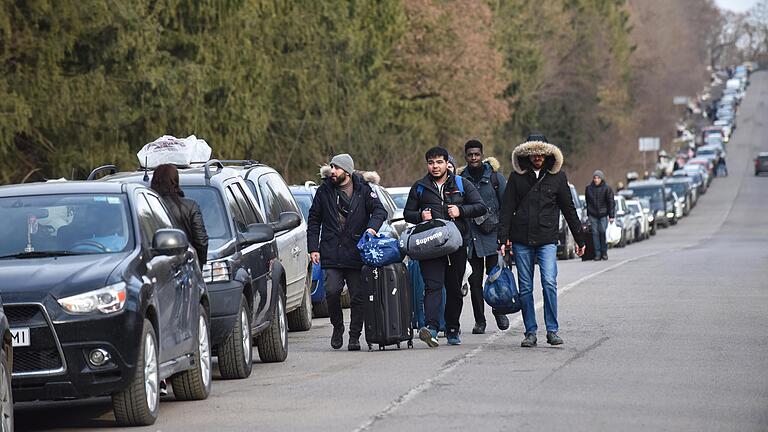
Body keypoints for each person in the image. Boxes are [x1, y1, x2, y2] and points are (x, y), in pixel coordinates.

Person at [498, 134, 585, 348]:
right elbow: (506, 209)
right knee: (526, 287)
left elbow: (569, 209)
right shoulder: (516, 178)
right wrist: (503, 238)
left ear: (547, 154)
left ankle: (552, 330)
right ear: (527, 154)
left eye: (541, 153)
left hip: (547, 238)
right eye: (532, 153)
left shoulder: (558, 177)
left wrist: (579, 238)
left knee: (549, 283)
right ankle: (530, 332)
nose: (537, 157)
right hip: (521, 239)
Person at [404, 146, 486, 347]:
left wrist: (460, 210)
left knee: (454, 289)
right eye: (431, 163)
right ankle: (431, 328)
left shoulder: (461, 183)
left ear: (446, 163)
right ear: (427, 164)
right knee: (432, 287)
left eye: (439, 162)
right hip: (429, 246)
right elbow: (407, 213)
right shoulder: (420, 187)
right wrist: (419, 216)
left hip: (455, 245)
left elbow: (480, 206)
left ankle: (452, 329)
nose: (435, 166)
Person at [307, 154, 387, 351]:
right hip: (331, 251)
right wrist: (313, 248)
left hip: (356, 251)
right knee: (332, 291)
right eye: (332, 167)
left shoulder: (364, 190)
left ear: (348, 171)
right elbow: (314, 220)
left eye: (337, 168)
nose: (332, 171)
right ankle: (337, 327)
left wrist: (371, 229)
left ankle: (354, 336)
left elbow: (380, 212)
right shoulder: (324, 191)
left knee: (358, 296)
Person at [457, 139, 509, 334]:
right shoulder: (460, 179)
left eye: (476, 154)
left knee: (496, 277)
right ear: (465, 156)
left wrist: (505, 236)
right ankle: (480, 320)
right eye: (470, 155)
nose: (473, 158)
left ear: (482, 155)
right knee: (474, 281)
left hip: (493, 236)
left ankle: (499, 310)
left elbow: (506, 207)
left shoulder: (496, 178)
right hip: (471, 239)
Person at [151, 164, 208, 268]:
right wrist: (199, 266)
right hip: (185, 266)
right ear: (176, 181)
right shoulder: (190, 206)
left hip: (156, 268)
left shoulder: (146, 205)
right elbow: (201, 241)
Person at [585, 170, 615, 261]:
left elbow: (611, 202)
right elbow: (587, 202)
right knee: (595, 234)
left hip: (603, 214)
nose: (596, 179)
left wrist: (611, 215)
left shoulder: (607, 188)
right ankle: (597, 254)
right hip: (593, 214)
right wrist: (588, 214)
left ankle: (604, 252)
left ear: (601, 179)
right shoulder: (589, 188)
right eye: (595, 178)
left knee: (602, 231)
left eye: (598, 178)